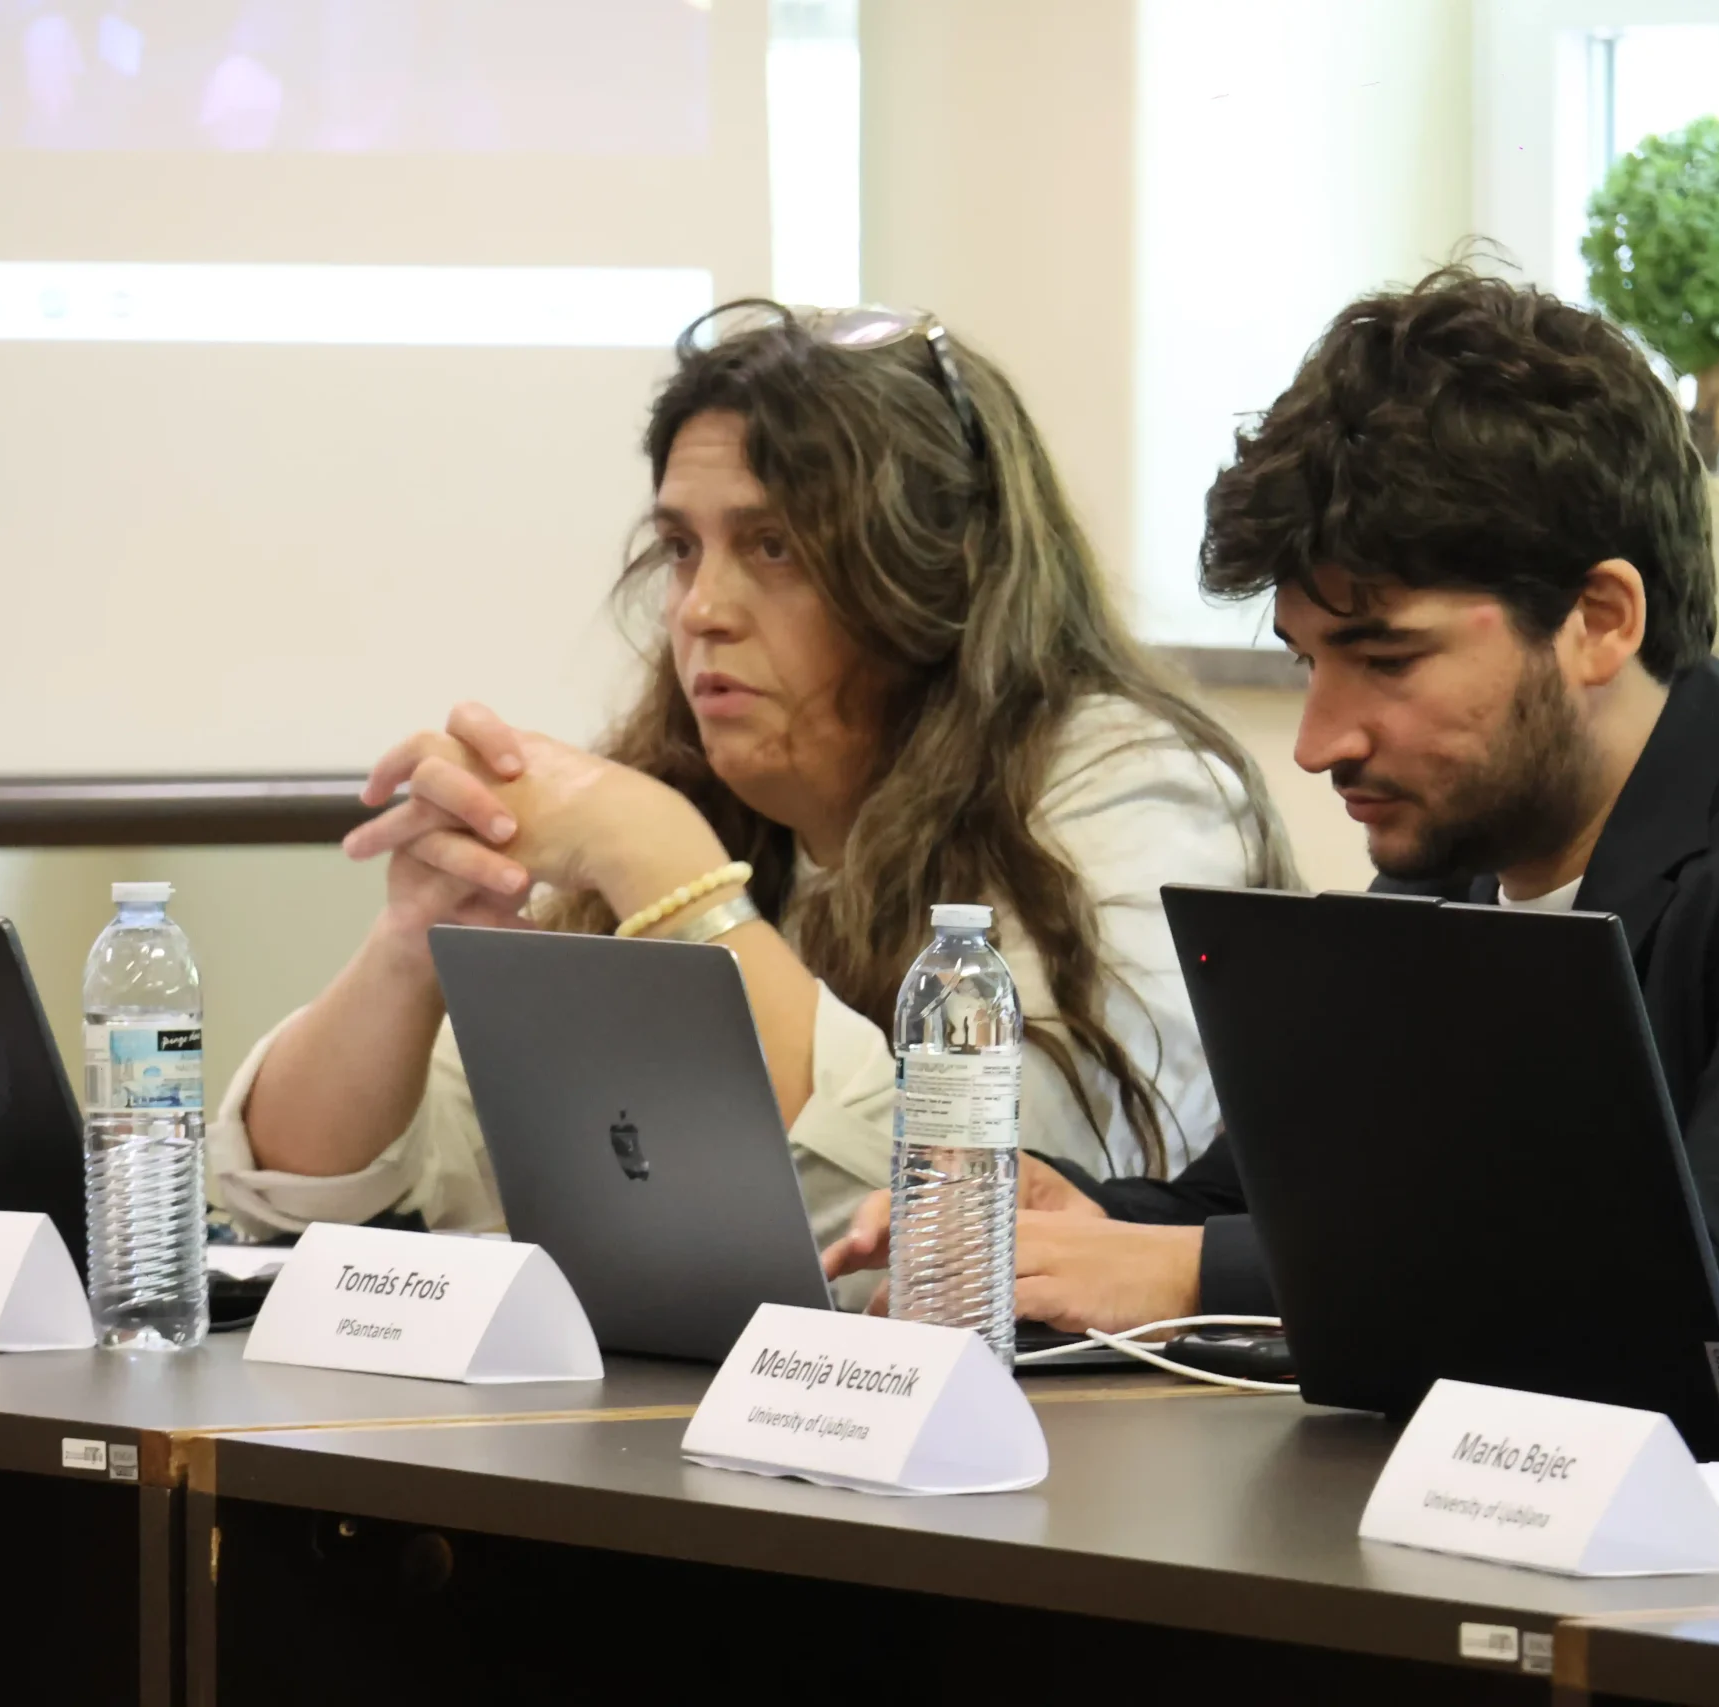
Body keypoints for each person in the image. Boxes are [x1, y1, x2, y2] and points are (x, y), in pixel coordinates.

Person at [829, 269, 1719, 1388]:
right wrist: (1076, 1221)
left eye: (1385, 658)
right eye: (1308, 662)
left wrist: (1180, 1272)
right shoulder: (1451, 878)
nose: (1319, 740)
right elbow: (1249, 1205)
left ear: (1600, 620)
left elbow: (1708, 1302)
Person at [208, 302, 1297, 1280]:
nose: (700, 609)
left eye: (774, 547)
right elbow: (295, 1194)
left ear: (936, 574)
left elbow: (996, 1208)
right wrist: (410, 951)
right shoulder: (692, 780)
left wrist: (674, 879)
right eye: (683, 548)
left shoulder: (1134, 787)